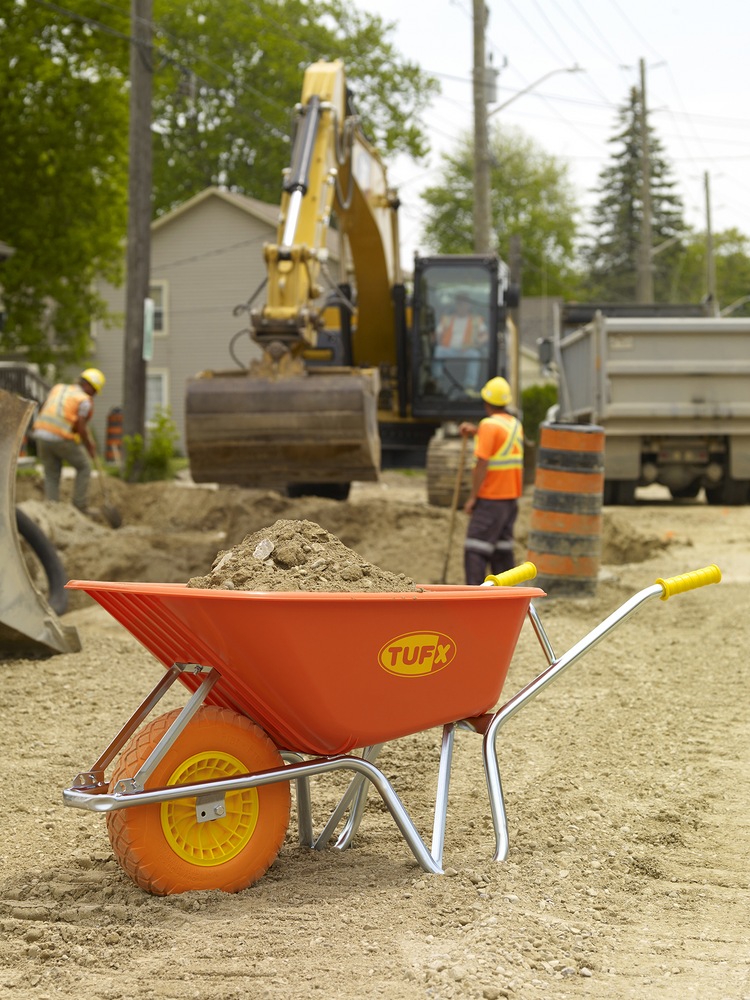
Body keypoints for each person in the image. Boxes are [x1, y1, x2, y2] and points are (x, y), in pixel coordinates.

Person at [459, 375, 524, 585]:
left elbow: (482, 464)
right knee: (502, 553)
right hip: (509, 501)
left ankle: (475, 602)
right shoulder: (514, 424)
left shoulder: (488, 425)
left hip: (490, 499)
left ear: (486, 401)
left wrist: (472, 498)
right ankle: (504, 601)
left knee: (475, 550)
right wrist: (476, 431)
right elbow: (499, 441)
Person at [32, 368, 106, 513]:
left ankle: (52, 509)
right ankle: (79, 507)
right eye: (95, 391)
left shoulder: (59, 388)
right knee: (84, 466)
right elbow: (81, 425)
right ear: (89, 386)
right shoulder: (84, 400)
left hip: (40, 435)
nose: (94, 395)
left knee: (51, 474)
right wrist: (89, 445)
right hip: (60, 436)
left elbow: (58, 411)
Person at [432, 292, 488, 394]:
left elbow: (485, 335)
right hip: (449, 350)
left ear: (469, 305)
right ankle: (437, 380)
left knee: (475, 355)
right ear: (456, 305)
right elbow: (438, 333)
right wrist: (437, 338)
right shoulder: (447, 319)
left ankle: (470, 385)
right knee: (438, 351)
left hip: (467, 350)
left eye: (464, 304)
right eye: (459, 304)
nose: (461, 306)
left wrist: (478, 342)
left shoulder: (476, 320)